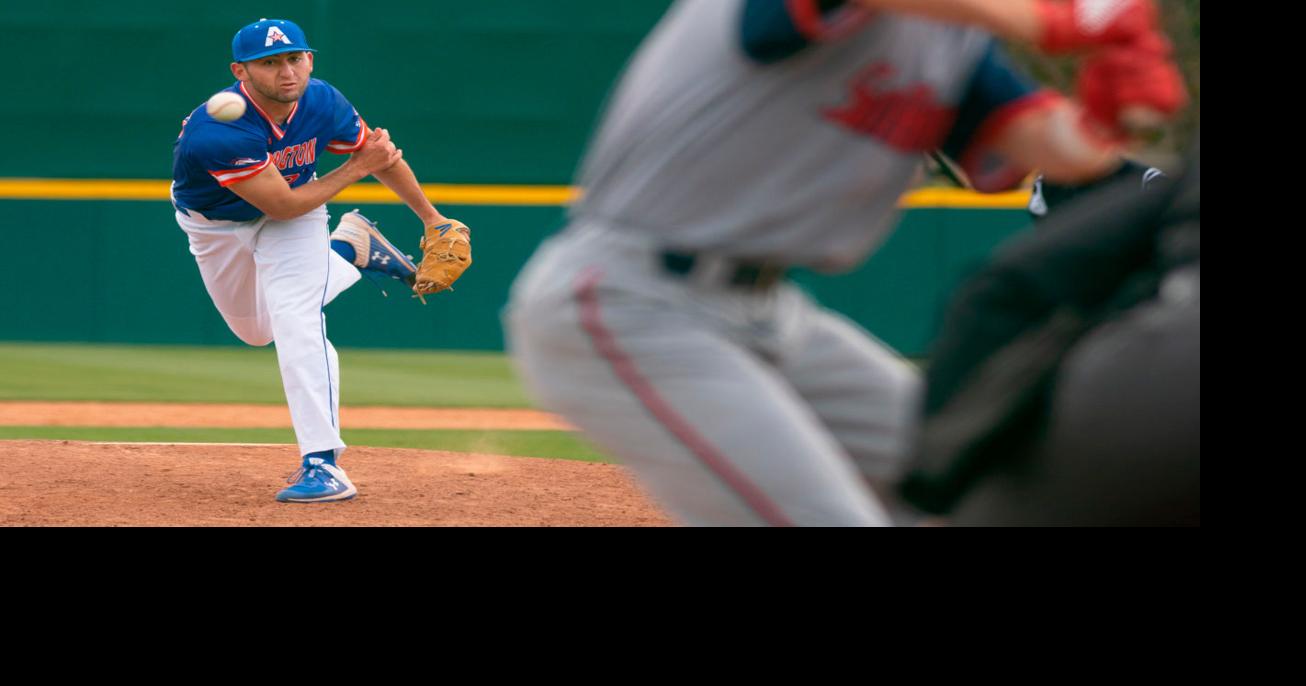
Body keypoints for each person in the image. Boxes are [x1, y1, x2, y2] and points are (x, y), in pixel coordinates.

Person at [503, 0, 1187, 526]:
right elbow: (774, 24)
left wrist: (1109, 118)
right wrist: (1054, 19)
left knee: (984, 470)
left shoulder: (951, 43)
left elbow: (1055, 154)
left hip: (770, 314)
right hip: (629, 299)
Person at [171, 18, 468, 503]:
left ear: (309, 59)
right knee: (256, 331)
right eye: (269, 63)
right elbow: (282, 204)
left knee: (296, 318)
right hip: (218, 224)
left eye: (295, 58)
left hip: (298, 215)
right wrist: (355, 169)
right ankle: (350, 248)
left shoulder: (323, 100)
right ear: (241, 71)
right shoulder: (218, 132)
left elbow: (380, 155)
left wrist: (432, 219)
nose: (286, 71)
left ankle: (322, 463)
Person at [899, 139, 1199, 526]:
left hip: (1146, 367)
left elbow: (999, 292)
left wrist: (937, 480)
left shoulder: (1153, 184)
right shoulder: (1054, 185)